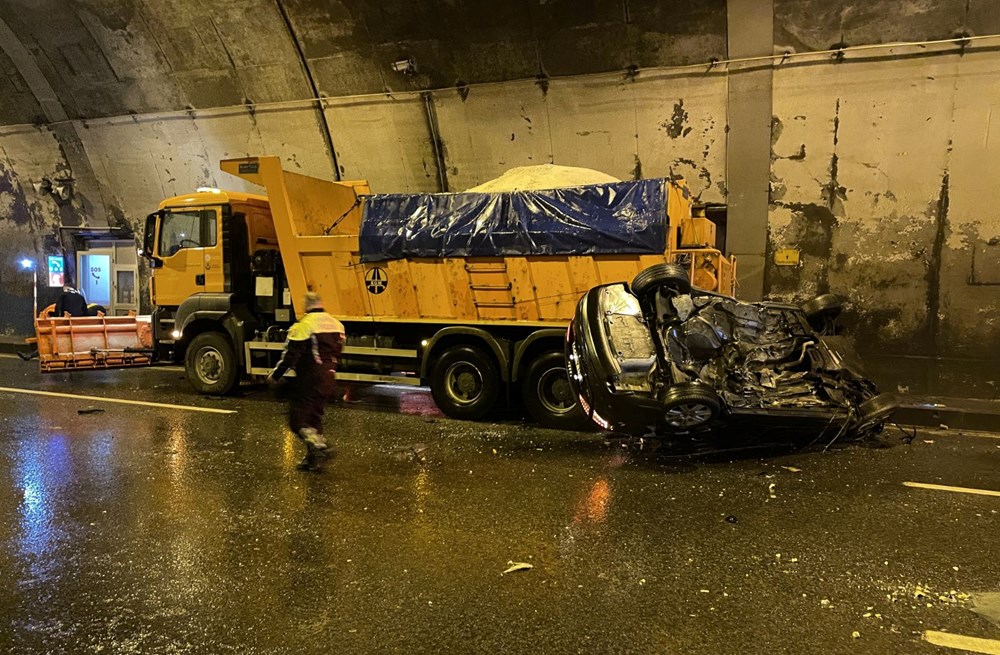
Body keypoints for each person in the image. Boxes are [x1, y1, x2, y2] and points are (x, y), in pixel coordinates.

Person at [266, 292, 346, 471]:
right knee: (314, 417)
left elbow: (290, 356)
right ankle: (313, 460)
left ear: (306, 305)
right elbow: (339, 351)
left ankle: (320, 446)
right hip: (328, 377)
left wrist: (275, 376)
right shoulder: (337, 324)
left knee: (298, 420)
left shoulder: (304, 325)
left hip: (309, 379)